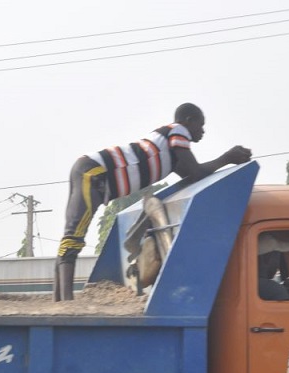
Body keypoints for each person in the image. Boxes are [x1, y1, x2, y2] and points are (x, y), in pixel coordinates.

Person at [54, 103, 253, 301]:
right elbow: (196, 171)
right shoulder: (178, 131)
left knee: (71, 233)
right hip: (95, 171)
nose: (203, 131)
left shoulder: (171, 151)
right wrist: (227, 158)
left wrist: (224, 161)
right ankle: (66, 300)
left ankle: (60, 299)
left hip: (90, 168)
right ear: (188, 121)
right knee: (74, 234)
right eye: (200, 125)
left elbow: (194, 176)